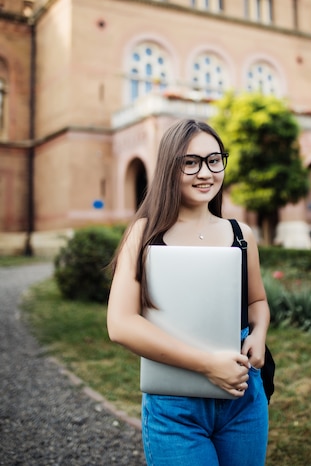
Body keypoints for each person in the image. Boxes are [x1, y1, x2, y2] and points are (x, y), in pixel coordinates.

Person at [107, 118, 270, 465]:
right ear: (170, 167)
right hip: (174, 402)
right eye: (190, 162)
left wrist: (259, 332)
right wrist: (208, 365)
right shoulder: (145, 234)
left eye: (214, 160)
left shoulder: (242, 234)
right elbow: (120, 324)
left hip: (243, 397)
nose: (206, 173)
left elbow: (257, 302)